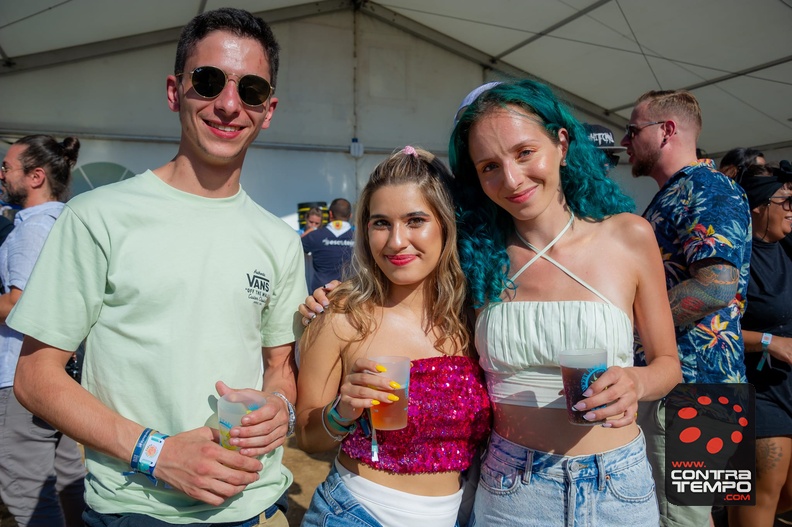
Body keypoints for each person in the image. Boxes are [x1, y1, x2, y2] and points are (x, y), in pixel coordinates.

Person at [302, 80, 681, 525]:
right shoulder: (476, 258)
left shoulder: (629, 236)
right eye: (489, 167)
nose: (512, 179)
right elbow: (404, 270)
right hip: (512, 486)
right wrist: (328, 302)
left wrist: (636, 382)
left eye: (524, 152)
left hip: (617, 482)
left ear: (561, 142)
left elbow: (667, 364)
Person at [9, 8, 306, 526]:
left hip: (257, 507)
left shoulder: (279, 241)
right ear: (175, 91)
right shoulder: (97, 217)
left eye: (251, 90)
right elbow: (35, 376)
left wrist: (279, 404)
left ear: (269, 109)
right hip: (139, 509)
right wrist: (156, 453)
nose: (229, 105)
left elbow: (279, 364)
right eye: (209, 82)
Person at [296, 147, 491, 527]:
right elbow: (307, 436)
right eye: (380, 223)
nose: (396, 242)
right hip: (354, 515)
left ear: (446, 224)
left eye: (415, 220)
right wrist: (341, 413)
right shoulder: (341, 316)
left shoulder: (474, 319)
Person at [620, 89, 752, 527]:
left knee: (677, 520)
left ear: (667, 130)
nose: (625, 141)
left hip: (692, 392)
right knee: (695, 519)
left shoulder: (706, 187)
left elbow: (716, 288)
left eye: (633, 130)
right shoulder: (680, 192)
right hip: (702, 389)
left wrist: (631, 328)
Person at [0, 135, 86, 527]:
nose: (1, 174)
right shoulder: (65, 224)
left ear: (36, 177)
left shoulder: (32, 230)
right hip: (60, 374)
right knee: (68, 478)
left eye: (7, 167)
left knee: (25, 491)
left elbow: (19, 303)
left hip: (20, 375)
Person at [728, 164, 792, 526]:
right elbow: (713, 329)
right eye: (784, 201)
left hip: (788, 386)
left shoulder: (788, 249)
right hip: (756, 389)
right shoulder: (736, 258)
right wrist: (770, 341)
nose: (791, 208)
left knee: (784, 495)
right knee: (763, 491)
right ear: (758, 207)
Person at [301, 197, 355, 291]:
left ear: (330, 214)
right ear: (350, 216)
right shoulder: (360, 238)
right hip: (350, 292)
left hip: (321, 294)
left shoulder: (315, 236)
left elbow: (292, 247)